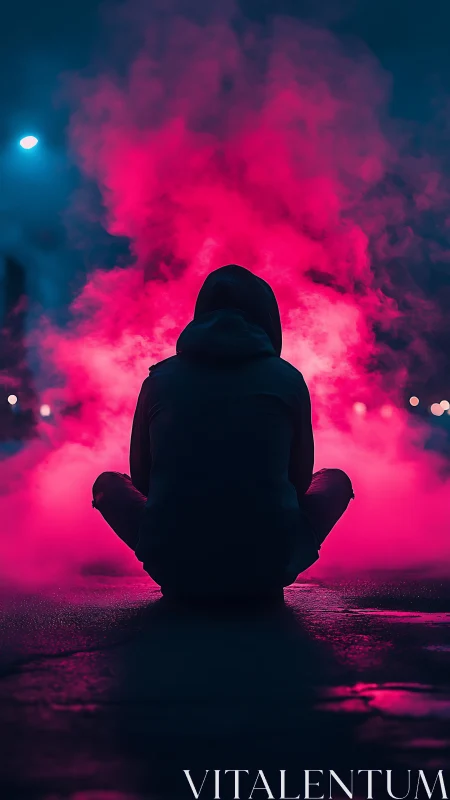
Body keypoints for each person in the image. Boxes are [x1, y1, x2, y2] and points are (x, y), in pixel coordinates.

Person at [92, 264, 354, 602]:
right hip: (268, 567)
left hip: (175, 566)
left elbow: (142, 481)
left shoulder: (159, 379)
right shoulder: (287, 377)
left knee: (108, 484)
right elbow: (299, 481)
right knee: (335, 480)